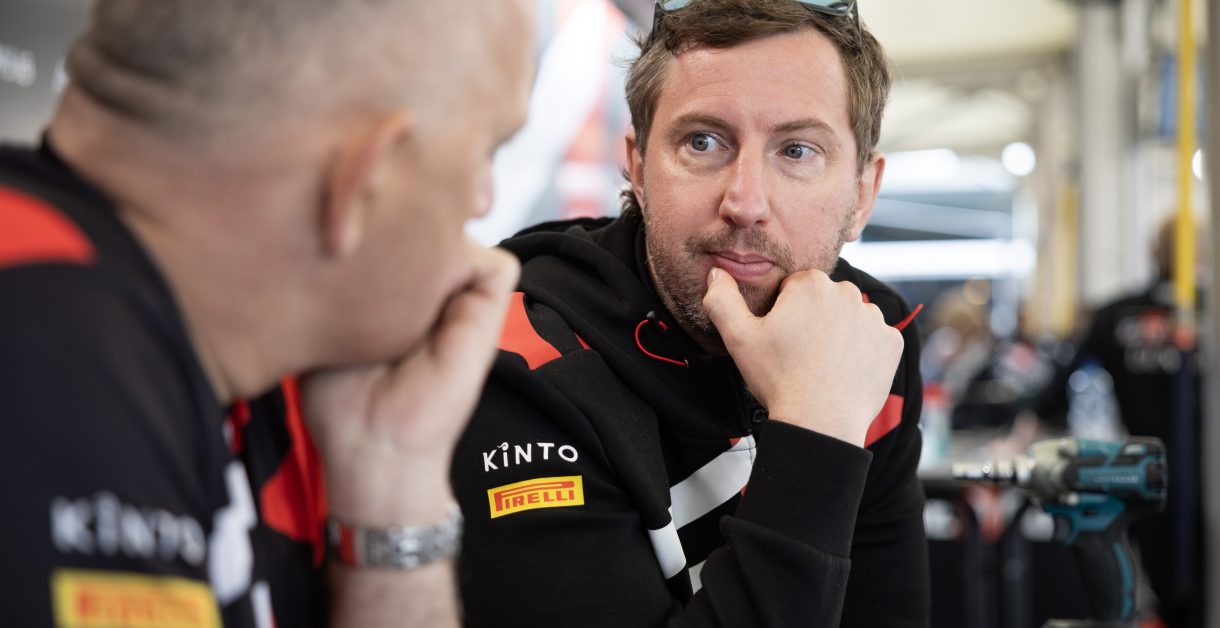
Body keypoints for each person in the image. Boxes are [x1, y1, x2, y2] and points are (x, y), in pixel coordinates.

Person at [0, 1, 534, 626]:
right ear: (367, 178)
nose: (482, 202)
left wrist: (393, 482)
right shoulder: (47, 357)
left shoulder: (285, 371)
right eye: (489, 151)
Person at [451, 1, 929, 626]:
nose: (746, 202)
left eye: (797, 150)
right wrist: (816, 430)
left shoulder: (871, 336)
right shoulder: (518, 360)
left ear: (862, 194)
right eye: (703, 141)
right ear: (639, 168)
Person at [1029, 216, 1206, 627]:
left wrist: (1026, 428)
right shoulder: (1189, 312)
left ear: (1153, 252)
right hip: (1177, 480)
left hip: (1148, 476)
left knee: (1166, 589)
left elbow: (1056, 389)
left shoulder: (1116, 315)